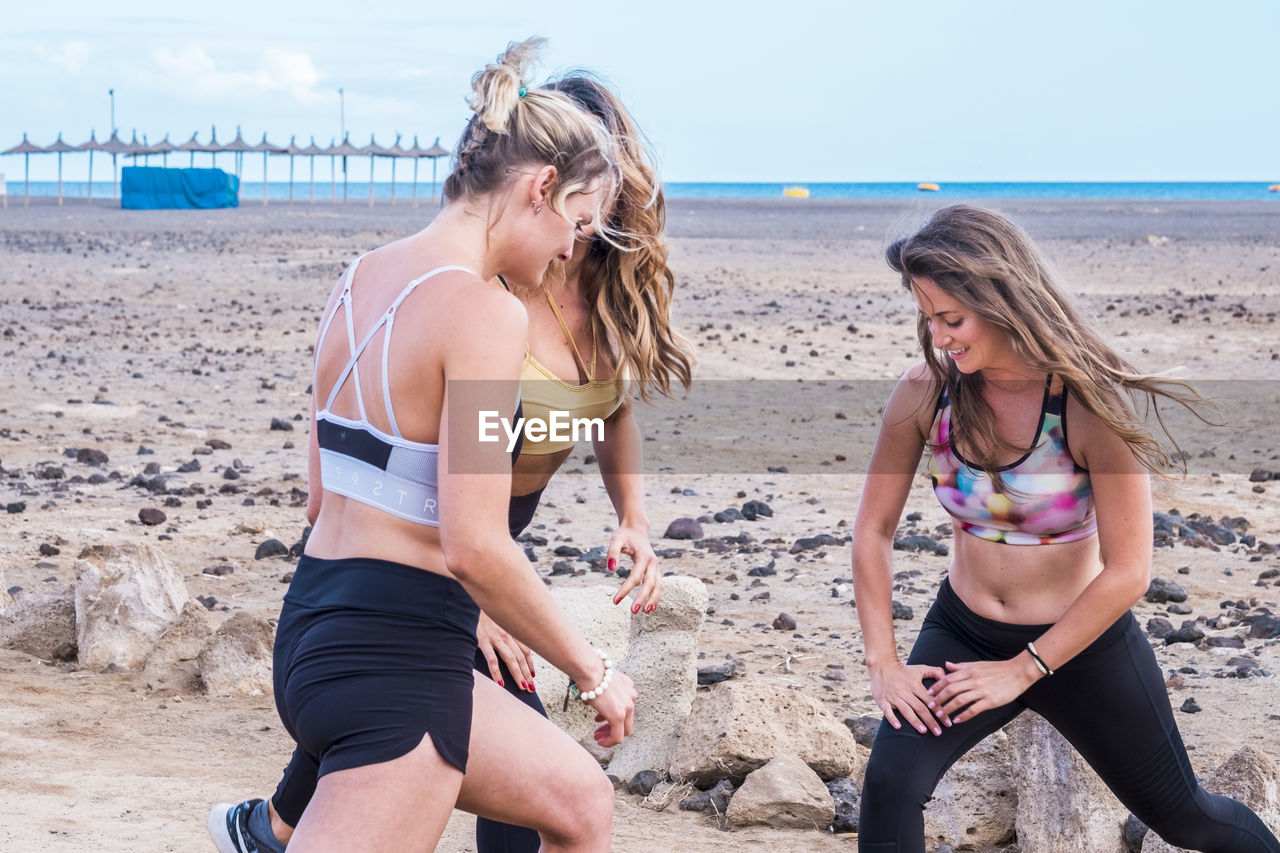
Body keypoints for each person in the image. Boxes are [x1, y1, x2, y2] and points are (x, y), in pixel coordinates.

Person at [207, 38, 637, 853]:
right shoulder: (484, 312)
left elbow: (319, 496)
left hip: (313, 630)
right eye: (575, 224)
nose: (566, 251)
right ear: (540, 188)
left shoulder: (359, 277)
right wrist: (595, 672)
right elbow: (476, 545)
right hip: (398, 667)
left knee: (581, 803)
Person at [851, 204, 1280, 853]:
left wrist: (1024, 668)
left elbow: (1130, 569)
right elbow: (873, 530)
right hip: (963, 632)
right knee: (888, 783)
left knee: (1188, 816)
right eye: (927, 317)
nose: (938, 337)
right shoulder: (923, 394)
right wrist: (884, 661)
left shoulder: (1088, 404)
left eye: (952, 318)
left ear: (1001, 300)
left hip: (1086, 644)